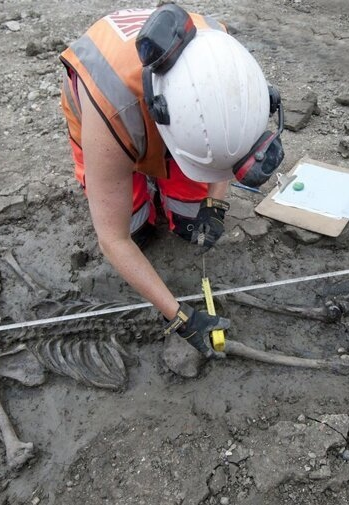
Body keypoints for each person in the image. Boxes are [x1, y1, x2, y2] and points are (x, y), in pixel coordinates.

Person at [59, 4, 285, 358]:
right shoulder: (110, 109)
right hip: (107, 109)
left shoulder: (225, 64)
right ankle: (144, 193)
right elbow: (112, 239)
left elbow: (226, 151)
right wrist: (179, 316)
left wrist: (216, 204)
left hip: (177, 120)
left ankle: (172, 196)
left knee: (190, 218)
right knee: (133, 229)